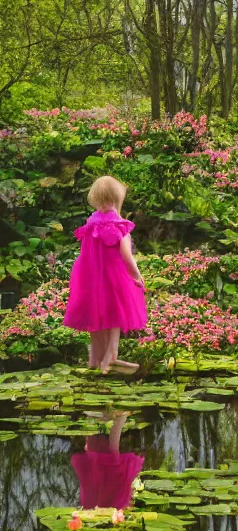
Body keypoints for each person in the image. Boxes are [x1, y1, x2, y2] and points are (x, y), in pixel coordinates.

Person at [63, 175, 147, 373]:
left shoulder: (91, 222)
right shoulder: (119, 224)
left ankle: (95, 359)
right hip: (113, 275)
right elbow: (126, 255)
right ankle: (110, 358)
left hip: (90, 276)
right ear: (117, 197)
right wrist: (136, 275)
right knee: (116, 313)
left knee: (96, 317)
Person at [71, 411, 144, 510]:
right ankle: (102, 416)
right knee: (100, 453)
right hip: (99, 483)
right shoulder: (93, 505)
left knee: (106, 455)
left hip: (104, 483)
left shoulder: (115, 503)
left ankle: (114, 417)